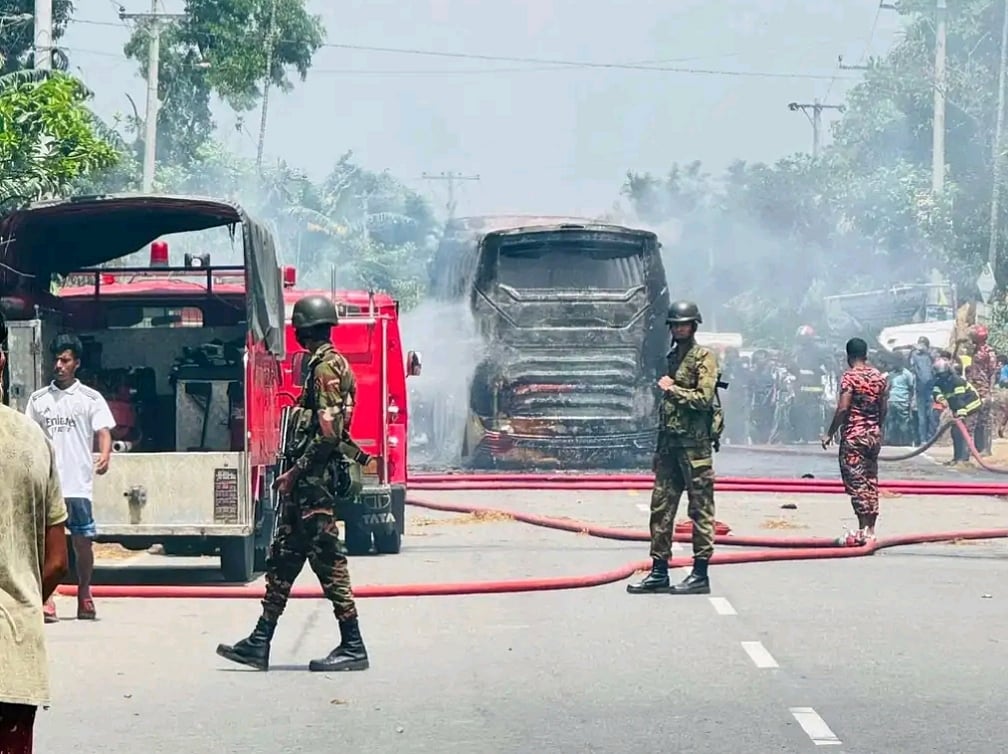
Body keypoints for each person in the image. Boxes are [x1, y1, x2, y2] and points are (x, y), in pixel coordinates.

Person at [217, 295, 370, 672]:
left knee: (329, 562)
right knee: (284, 560)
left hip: (312, 486)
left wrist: (295, 472)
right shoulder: (325, 365)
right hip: (304, 489)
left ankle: (353, 645)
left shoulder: (325, 370)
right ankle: (259, 641)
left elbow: (329, 434)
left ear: (303, 331)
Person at [0, 309, 70, 753]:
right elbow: (58, 561)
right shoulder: (33, 440)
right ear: (2, 360)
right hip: (17, 655)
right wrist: (25, 596)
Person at [628, 300, 719, 596]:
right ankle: (659, 571)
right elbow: (665, 411)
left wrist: (673, 389)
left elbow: (704, 399)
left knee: (700, 510)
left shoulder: (704, 357)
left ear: (694, 326)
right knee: (660, 509)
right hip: (670, 447)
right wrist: (657, 449)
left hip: (695, 448)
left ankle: (700, 574)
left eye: (685, 324)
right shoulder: (671, 358)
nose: (680, 329)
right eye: (676, 325)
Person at [25, 334, 114, 623]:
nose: (59, 365)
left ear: (76, 363)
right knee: (46, 544)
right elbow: (29, 436)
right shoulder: (38, 400)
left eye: (65, 360)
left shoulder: (90, 398)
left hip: (78, 485)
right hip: (48, 485)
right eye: (56, 360)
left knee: (82, 543)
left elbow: (103, 431)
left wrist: (104, 454)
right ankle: (48, 599)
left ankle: (85, 594)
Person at [822, 338, 888, 543]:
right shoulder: (878, 377)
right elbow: (884, 407)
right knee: (870, 479)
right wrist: (877, 427)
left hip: (854, 437)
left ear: (848, 356)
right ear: (866, 354)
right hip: (872, 436)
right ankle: (871, 529)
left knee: (856, 480)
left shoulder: (849, 377)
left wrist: (830, 432)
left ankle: (862, 528)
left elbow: (843, 408)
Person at [932, 357, 983, 464]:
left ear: (948, 371)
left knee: (965, 432)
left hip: (971, 407)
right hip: (958, 409)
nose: (942, 377)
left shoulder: (957, 381)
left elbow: (960, 399)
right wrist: (941, 399)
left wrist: (961, 415)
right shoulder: (940, 381)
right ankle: (956, 458)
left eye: (943, 374)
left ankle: (964, 460)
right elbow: (936, 391)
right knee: (955, 432)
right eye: (939, 375)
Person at [964, 324, 997, 456]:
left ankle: (985, 449)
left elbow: (993, 372)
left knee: (985, 419)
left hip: (983, 389)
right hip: (973, 388)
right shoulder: (973, 350)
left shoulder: (989, 352)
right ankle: (976, 448)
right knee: (973, 419)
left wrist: (990, 391)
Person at [908, 336, 936, 443]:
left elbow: (910, 365)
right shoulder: (917, 354)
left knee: (927, 414)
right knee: (923, 416)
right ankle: (925, 439)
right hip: (923, 389)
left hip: (928, 388)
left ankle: (927, 439)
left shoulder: (929, 354)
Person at [884, 362, 915, 446]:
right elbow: (911, 387)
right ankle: (900, 441)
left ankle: (896, 441)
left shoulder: (896, 374)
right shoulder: (906, 374)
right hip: (898, 400)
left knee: (898, 421)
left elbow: (887, 388)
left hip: (898, 400)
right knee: (898, 421)